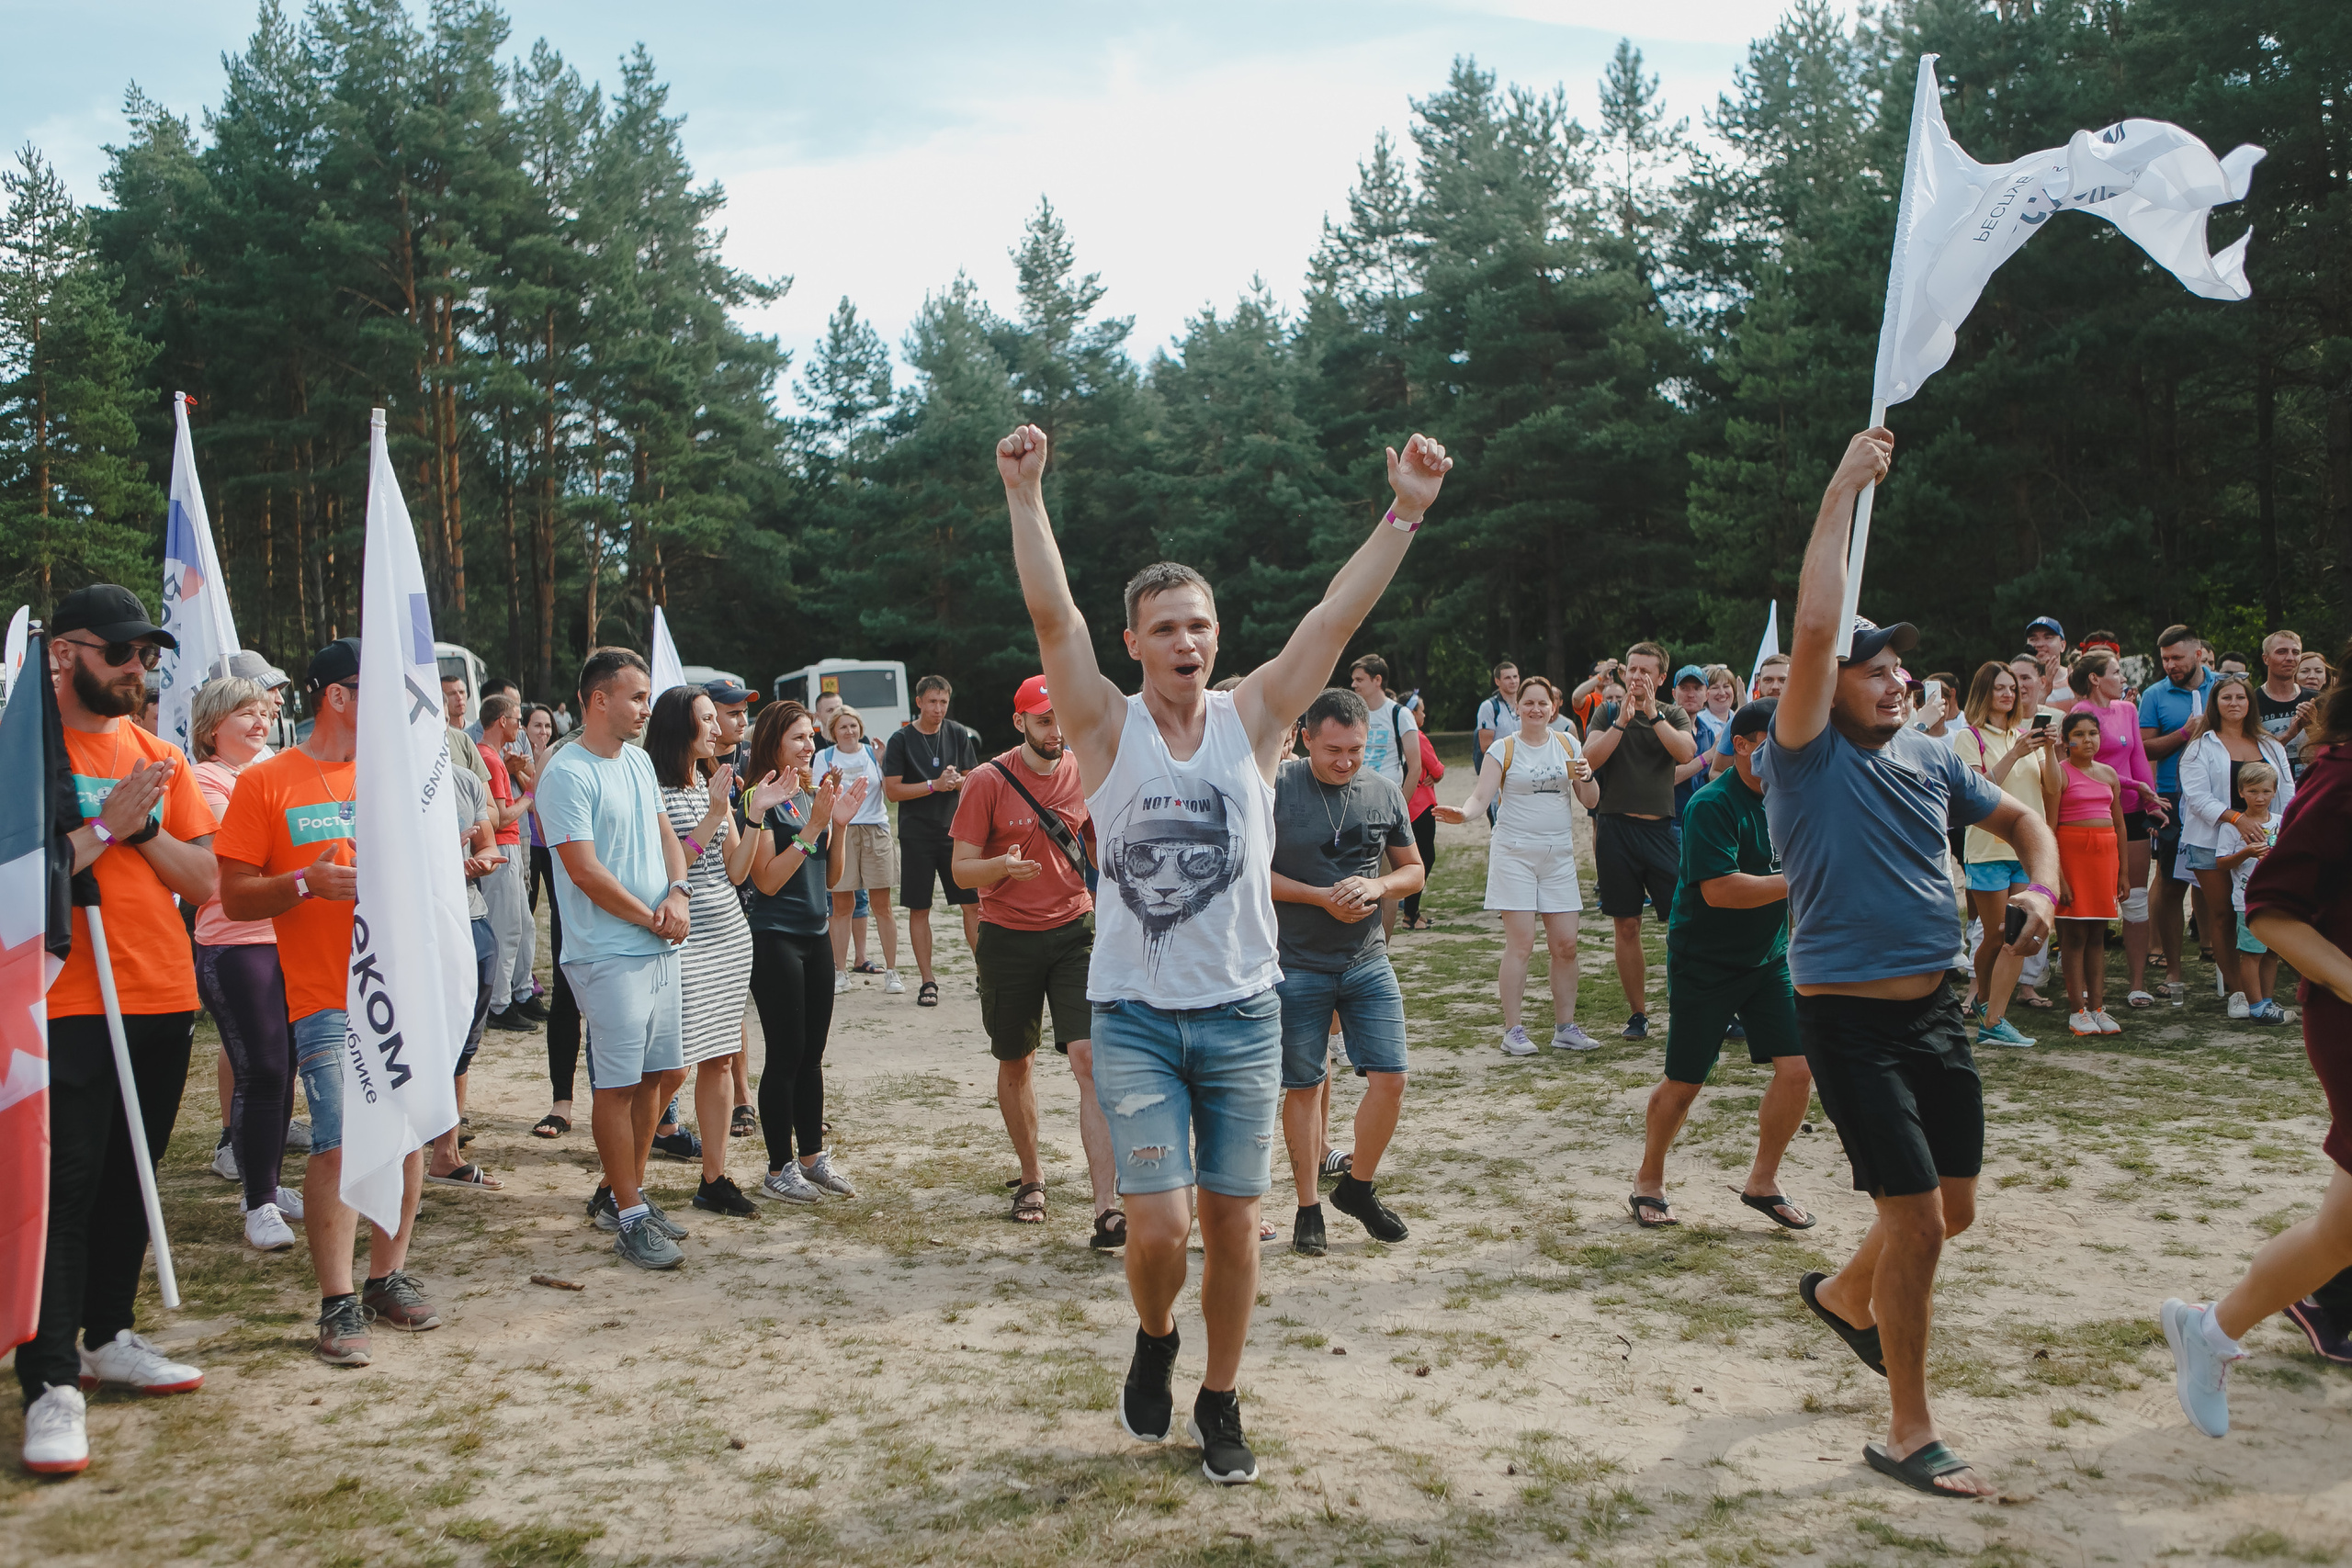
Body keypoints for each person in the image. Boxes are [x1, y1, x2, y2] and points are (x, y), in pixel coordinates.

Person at [999, 417, 1452, 1487]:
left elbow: (1335, 619)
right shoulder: (1107, 731)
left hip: (1247, 1010)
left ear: (1215, 633)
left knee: (1234, 1229)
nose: (1185, 642)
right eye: (1163, 628)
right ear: (1136, 644)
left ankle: (1221, 1395)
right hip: (1139, 1018)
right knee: (1157, 1232)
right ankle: (1156, 1337)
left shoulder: (1257, 720)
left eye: (1197, 625)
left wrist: (1407, 512)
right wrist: (1026, 499)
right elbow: (1049, 614)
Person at [1763, 430, 2057, 1500]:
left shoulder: (1937, 756)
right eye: (1872, 668)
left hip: (1939, 1010)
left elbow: (2026, 822)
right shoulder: (1799, 756)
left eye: (1898, 667)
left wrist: (2041, 887)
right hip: (1845, 1021)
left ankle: (1846, 1298)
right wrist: (1840, 485)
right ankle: (1906, 1430)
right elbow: (1809, 624)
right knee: (1920, 1221)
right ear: (1825, 685)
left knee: (1953, 1208)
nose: (1895, 681)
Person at [19, 588, 221, 1476]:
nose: (139, 671)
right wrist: (104, 824)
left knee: (133, 1177)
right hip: (62, 998)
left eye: (147, 656)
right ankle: (52, 1377)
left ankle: (109, 1333)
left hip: (158, 991)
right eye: (121, 654)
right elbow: (30, 870)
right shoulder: (22, 755)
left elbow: (205, 877)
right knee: (64, 1183)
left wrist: (131, 836)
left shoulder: (158, 754)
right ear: (65, 653)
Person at [216, 638, 439, 1370]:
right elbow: (234, 891)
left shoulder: (396, 777)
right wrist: (306, 883)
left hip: (399, 985)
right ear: (336, 695)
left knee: (406, 1133)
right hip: (326, 991)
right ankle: (336, 1299)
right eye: (368, 687)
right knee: (338, 1141)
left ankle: (386, 1276)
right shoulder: (268, 781)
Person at [2159, 655, 2352, 1436]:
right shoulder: (2340, 785)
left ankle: (2207, 1330)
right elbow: (2270, 909)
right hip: (2345, 1014)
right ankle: (2210, 1330)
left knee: (2343, 1233)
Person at [533, 648, 697, 1270]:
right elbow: (583, 870)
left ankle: (619, 1190)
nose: (645, 709)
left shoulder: (637, 762)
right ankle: (629, 1214)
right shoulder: (566, 773)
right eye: (636, 696)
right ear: (597, 699)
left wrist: (677, 892)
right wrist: (650, 914)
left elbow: (667, 839)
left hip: (659, 938)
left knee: (667, 1073)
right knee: (619, 1083)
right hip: (606, 951)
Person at [1630, 698, 1814, 1230]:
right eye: (1779, 743)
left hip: (1769, 959)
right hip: (1705, 963)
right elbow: (1722, 891)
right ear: (1743, 745)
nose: (1791, 753)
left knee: (1799, 1069)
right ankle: (1649, 1178)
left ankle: (1763, 1181)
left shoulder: (1794, 799)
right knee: (1686, 1082)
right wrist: (1803, 880)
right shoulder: (1712, 803)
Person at [951, 674, 1118, 1243]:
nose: (1057, 732)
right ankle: (1031, 1177)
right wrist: (1001, 868)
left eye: (1062, 720)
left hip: (1075, 930)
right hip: (1007, 937)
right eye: (1044, 721)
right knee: (1015, 1060)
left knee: (1089, 1059)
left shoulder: (1083, 768)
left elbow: (1096, 841)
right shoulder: (986, 780)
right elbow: (961, 869)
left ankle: (1106, 1205)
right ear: (1019, 721)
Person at [1269, 686, 1423, 1257]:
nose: (1345, 761)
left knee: (1392, 1077)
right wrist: (1319, 897)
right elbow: (1252, 875)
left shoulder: (1382, 791)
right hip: (1298, 964)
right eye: (1333, 749)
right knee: (1305, 1086)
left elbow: (1414, 871)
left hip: (1366, 960)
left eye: (1355, 750)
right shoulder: (1277, 787)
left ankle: (1358, 1187)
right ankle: (1308, 1206)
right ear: (1306, 737)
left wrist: (1378, 884)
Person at [647, 686, 779, 1218]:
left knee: (721, 1057)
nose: (718, 728)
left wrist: (753, 817)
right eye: (707, 719)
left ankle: (715, 1177)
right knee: (672, 1066)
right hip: (684, 938)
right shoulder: (653, 790)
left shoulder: (711, 784)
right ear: (682, 727)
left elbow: (736, 871)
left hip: (728, 932)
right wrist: (716, 811)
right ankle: (619, 1177)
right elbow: (672, 864)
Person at [188, 675, 309, 1247]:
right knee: (260, 1067)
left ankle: (269, 1182)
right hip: (237, 942)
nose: (261, 722)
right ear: (214, 726)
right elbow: (247, 853)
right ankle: (258, 1202)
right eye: (245, 714)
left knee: (284, 1068)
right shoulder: (204, 780)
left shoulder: (274, 774)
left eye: (264, 713)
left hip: (291, 937)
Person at [1436, 677, 1600, 1054]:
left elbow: (1590, 800)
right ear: (1518, 708)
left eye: (1543, 703)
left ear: (1553, 708)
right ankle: (1513, 1031)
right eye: (1528, 703)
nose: (1536, 709)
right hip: (1514, 855)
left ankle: (1565, 1027)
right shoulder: (1503, 748)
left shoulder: (1568, 744)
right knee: (1521, 944)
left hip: (1557, 856)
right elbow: (1482, 797)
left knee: (1566, 945)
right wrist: (1464, 814)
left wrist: (1589, 777)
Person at [743, 700, 863, 1203]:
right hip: (775, 939)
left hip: (816, 938)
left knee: (811, 1055)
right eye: (798, 737)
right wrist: (813, 827)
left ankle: (812, 1158)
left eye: (811, 737)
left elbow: (833, 879)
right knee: (786, 1054)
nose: (809, 745)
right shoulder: (759, 798)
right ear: (773, 743)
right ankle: (778, 1168)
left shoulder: (810, 795)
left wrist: (837, 823)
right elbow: (766, 881)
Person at [1579, 642, 1697, 1040]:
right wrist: (1622, 722)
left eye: (1646, 672)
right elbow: (1588, 761)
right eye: (1632, 670)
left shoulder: (1674, 713)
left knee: (1683, 922)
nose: (1637, 678)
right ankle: (1638, 1015)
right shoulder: (1608, 711)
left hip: (1661, 832)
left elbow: (1686, 753)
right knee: (1626, 925)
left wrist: (1652, 714)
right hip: (1615, 830)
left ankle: (1697, 1004)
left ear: (1661, 678)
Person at [2180, 672, 2298, 1018]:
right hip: (2211, 839)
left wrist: (2284, 830)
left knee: (2260, 913)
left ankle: (2263, 992)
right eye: (2226, 698)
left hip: (2266, 842)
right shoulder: (2201, 746)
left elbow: (2287, 793)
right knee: (2222, 915)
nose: (2234, 704)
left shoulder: (2270, 745)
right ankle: (2237, 992)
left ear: (2251, 703)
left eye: (2241, 698)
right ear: (2215, 704)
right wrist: (2236, 819)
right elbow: (2197, 797)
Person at [1949, 662, 2050, 1048]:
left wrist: (2049, 750)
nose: (2009, 694)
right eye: (2000, 688)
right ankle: (1981, 996)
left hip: (2023, 849)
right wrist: (2017, 752)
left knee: (2019, 935)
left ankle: (1995, 1018)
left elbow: (2050, 787)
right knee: (1993, 934)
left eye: (2013, 688)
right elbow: (1976, 790)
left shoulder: (2025, 735)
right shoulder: (1968, 737)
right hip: (1986, 847)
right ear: (1984, 693)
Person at [2062, 650, 2164, 1007]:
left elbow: (2137, 758)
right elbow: (2084, 764)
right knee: (2090, 905)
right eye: (2117, 672)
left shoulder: (2129, 710)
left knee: (2135, 899)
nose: (2122, 679)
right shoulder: (2079, 714)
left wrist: (2150, 802)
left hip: (2131, 811)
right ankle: (2085, 987)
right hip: (2092, 812)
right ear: (2095, 678)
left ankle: (2137, 983)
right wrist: (2135, 786)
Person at [429, 755, 506, 1190]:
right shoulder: (378, 780)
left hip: (473, 920)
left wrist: (483, 860)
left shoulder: (462, 780)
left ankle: (446, 1153)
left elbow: (489, 846)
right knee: (421, 1043)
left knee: (463, 1043)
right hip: (419, 927)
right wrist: (442, 869)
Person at [884, 674, 981, 1006]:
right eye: (932, 702)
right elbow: (892, 790)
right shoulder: (901, 739)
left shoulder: (957, 733)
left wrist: (954, 784)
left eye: (943, 702)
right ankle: (928, 981)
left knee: (973, 905)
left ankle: (986, 973)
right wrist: (932, 785)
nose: (938, 708)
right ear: (919, 703)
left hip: (955, 832)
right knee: (919, 907)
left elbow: (974, 779)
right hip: (917, 834)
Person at [2140, 626, 2214, 999]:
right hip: (2172, 797)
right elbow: (2146, 750)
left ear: (2198, 654)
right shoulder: (2154, 695)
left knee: (2223, 884)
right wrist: (2185, 733)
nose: (2170, 665)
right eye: (2165, 659)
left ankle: (2230, 970)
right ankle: (2172, 970)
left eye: (2177, 658)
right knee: (2170, 884)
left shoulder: (2223, 689)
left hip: (2219, 797)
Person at [2043, 713, 2128, 1035]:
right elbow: (2050, 827)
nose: (2088, 740)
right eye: (2079, 734)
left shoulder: (2108, 774)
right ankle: (2076, 1009)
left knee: (2098, 936)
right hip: (2073, 858)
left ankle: (2098, 1007)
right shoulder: (2059, 775)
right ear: (2065, 740)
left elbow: (2119, 823)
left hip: (2104, 861)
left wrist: (2123, 873)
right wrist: (2058, 876)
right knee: (2073, 936)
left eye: (2094, 733)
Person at [704, 679, 761, 1136]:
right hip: (707, 894)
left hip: (753, 888)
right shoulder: (690, 763)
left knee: (745, 998)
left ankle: (755, 1094)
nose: (741, 721)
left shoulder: (755, 761)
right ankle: (739, 1097)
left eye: (745, 712)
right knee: (723, 1001)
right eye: (731, 712)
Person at [820, 705, 901, 994]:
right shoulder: (824, 758)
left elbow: (890, 791)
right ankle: (839, 972)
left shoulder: (872, 753)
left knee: (883, 906)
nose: (849, 731)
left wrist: (884, 762)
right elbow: (817, 795)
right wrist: (831, 783)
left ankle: (892, 972)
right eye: (843, 727)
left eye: (853, 726)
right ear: (833, 732)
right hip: (842, 831)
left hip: (875, 830)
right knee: (841, 907)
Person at [474, 694, 538, 1034]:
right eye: (515, 719)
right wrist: (529, 796)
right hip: (502, 846)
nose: (519, 726)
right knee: (507, 926)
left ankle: (519, 991)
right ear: (501, 721)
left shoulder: (494, 758)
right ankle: (499, 1002)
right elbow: (499, 818)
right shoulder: (491, 760)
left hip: (508, 846)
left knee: (523, 924)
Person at [1347, 655, 1422, 939]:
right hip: (1352, 803)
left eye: (1359, 679)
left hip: (1386, 805)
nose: (1353, 684)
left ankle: (1382, 949)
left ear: (1378, 680)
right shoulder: (1354, 712)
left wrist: (1399, 807)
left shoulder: (1399, 714)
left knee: (1387, 882)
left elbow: (1414, 765)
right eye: (1353, 679)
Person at [2215, 762, 2288, 1025]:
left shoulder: (2282, 822)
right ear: (2241, 792)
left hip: (2277, 901)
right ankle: (2255, 1005)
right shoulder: (2232, 827)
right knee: (2252, 953)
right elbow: (2221, 862)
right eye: (2253, 791)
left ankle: (2267, 1001)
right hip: (2247, 901)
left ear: (2275, 791)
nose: (2260, 797)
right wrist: (2246, 852)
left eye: (2266, 791)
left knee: (2271, 952)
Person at [1396, 705, 1444, 931]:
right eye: (1421, 711)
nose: (1424, 715)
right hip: (1420, 803)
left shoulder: (1394, 736)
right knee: (1424, 858)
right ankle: (1410, 915)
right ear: (1412, 714)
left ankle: (1413, 911)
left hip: (1405, 802)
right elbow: (1437, 769)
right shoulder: (1417, 737)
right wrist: (1435, 774)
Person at [1709, 654, 1789, 779]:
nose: (1775, 686)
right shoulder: (1742, 720)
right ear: (1758, 683)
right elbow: (1716, 772)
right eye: (1768, 680)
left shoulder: (1809, 720)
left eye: (1782, 680)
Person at [1476, 660, 1520, 755]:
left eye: (1515, 677)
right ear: (1497, 681)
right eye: (1507, 678)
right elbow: (1486, 747)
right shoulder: (1488, 707)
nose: (1513, 681)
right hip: (1501, 764)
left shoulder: (1526, 705)